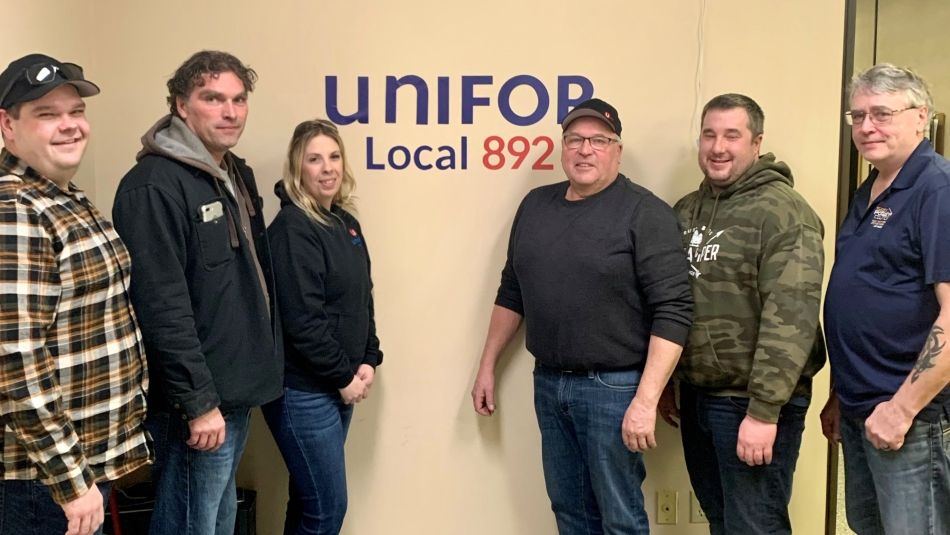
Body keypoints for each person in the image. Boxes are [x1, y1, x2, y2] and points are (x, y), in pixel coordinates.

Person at [470, 98, 693, 534]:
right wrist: (487, 366)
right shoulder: (536, 206)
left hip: (615, 389)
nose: (585, 150)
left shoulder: (645, 213)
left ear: (617, 150)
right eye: (575, 139)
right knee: (569, 510)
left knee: (619, 516)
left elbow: (673, 310)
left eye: (598, 140)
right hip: (550, 383)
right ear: (562, 147)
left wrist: (646, 401)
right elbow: (512, 291)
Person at [111, 50, 283, 535]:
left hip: (235, 390)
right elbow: (160, 304)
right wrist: (198, 402)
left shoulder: (234, 174)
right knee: (190, 524)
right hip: (196, 402)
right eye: (213, 99)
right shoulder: (152, 186)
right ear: (181, 106)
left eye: (238, 99)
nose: (229, 111)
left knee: (219, 518)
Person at [0, 53, 150, 535]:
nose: (69, 126)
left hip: (81, 467)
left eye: (76, 112)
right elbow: (16, 360)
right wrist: (70, 481)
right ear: (8, 126)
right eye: (47, 114)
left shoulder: (62, 195)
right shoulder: (17, 211)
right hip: (43, 482)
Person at [662, 93, 825, 534]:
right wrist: (668, 381)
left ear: (756, 143)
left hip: (750, 403)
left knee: (755, 527)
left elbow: (791, 318)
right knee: (723, 523)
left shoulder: (785, 213)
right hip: (698, 397)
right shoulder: (686, 211)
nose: (718, 147)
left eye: (732, 135)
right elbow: (671, 304)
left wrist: (764, 411)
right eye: (709, 134)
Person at [822, 63, 950, 535]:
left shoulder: (937, 188)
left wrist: (902, 409)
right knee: (869, 526)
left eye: (881, 113)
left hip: (909, 416)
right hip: (862, 407)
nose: (866, 126)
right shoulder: (873, 188)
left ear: (921, 117)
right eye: (857, 116)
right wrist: (840, 394)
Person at [262, 118, 383, 535]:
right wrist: (342, 376)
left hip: (337, 385)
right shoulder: (294, 228)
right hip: (303, 392)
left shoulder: (345, 222)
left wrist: (369, 358)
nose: (327, 167)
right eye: (314, 159)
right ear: (298, 169)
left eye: (334, 157)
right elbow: (303, 321)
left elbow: (362, 297)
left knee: (310, 502)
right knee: (326, 509)